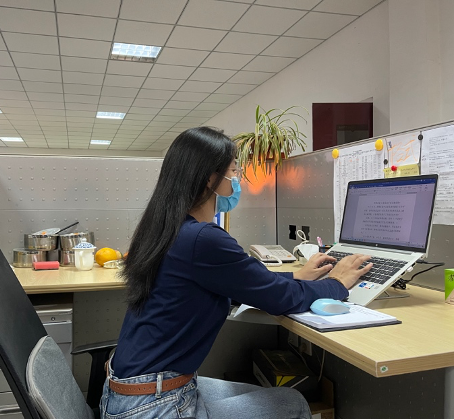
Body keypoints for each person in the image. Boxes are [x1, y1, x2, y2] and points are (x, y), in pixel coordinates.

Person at [101, 127, 373, 419]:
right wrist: (337, 283)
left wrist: (296, 277)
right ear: (210, 178)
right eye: (234, 169)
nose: (238, 177)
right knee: (292, 404)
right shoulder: (202, 238)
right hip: (153, 405)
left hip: (128, 390)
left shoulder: (167, 229)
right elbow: (279, 299)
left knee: (270, 396)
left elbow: (241, 281)